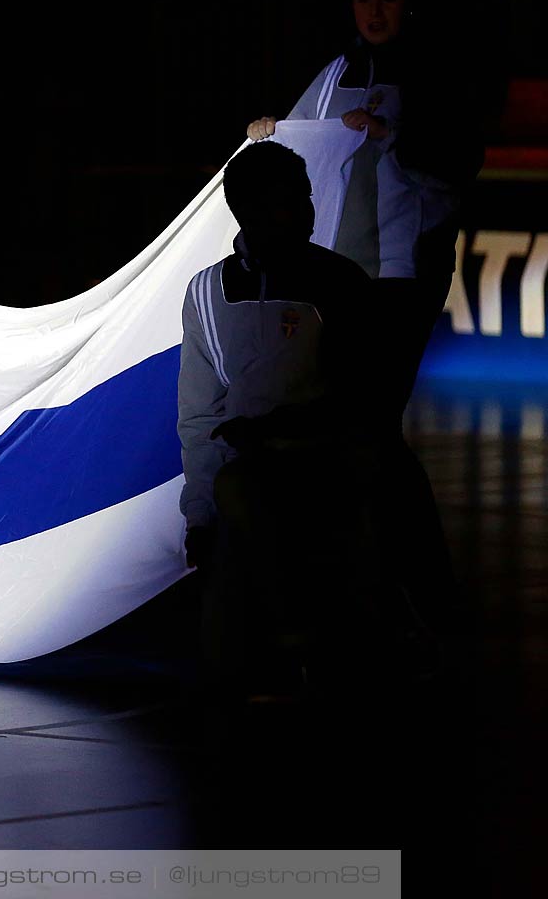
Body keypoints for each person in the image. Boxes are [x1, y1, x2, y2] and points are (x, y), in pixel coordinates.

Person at [178, 142, 378, 694]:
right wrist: (198, 519)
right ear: (251, 210)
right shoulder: (204, 293)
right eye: (294, 199)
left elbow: (364, 402)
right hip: (243, 487)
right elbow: (199, 419)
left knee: (246, 491)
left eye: (308, 196)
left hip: (324, 473)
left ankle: (310, 644)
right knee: (222, 663)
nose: (309, 211)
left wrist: (280, 434)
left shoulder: (341, 283)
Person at [246, 0, 483, 420]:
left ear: (408, 4)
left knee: (377, 412)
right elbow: (298, 144)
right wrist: (270, 134)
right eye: (363, 0)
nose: (374, 12)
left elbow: (458, 166)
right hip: (337, 271)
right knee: (338, 409)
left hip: (403, 275)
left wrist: (388, 134)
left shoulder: (436, 74)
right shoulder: (337, 72)